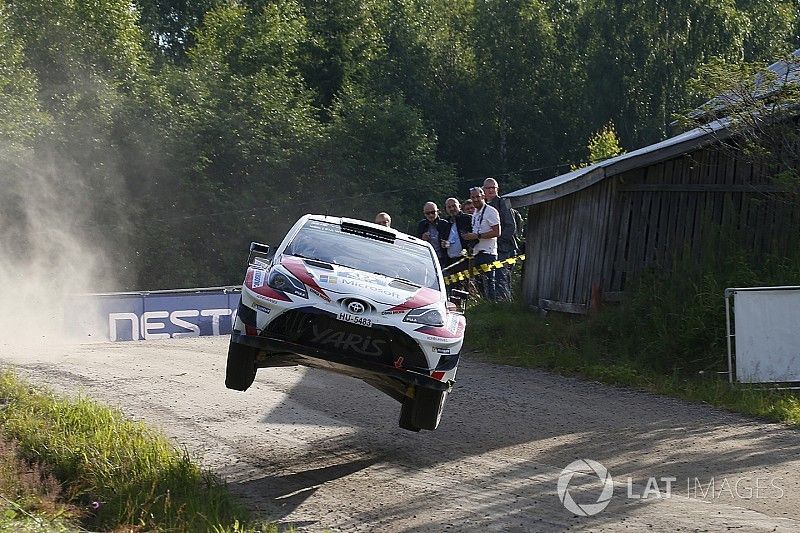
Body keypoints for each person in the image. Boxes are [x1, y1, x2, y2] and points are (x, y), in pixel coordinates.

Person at [460, 187, 500, 300]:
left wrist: (477, 236)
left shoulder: (491, 211)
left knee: (489, 284)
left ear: (483, 196)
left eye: (478, 197)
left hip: (488, 253)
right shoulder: (475, 213)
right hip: (477, 252)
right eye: (473, 197)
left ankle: (493, 306)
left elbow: (497, 232)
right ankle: (484, 305)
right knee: (479, 284)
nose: (476, 199)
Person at [483, 177, 517, 300]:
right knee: (490, 280)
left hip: (504, 249)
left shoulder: (502, 203)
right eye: (488, 188)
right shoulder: (483, 206)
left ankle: (505, 306)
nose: (491, 190)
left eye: (493, 187)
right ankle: (493, 305)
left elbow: (511, 226)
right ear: (483, 190)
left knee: (502, 279)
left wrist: (497, 240)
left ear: (497, 189)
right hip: (489, 250)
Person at [416, 202, 452, 267]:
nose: (431, 215)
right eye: (428, 213)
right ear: (424, 214)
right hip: (427, 258)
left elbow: (451, 241)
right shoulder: (422, 225)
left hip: (442, 259)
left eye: (433, 212)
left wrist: (446, 243)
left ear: (437, 212)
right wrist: (422, 239)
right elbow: (417, 242)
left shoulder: (445, 224)